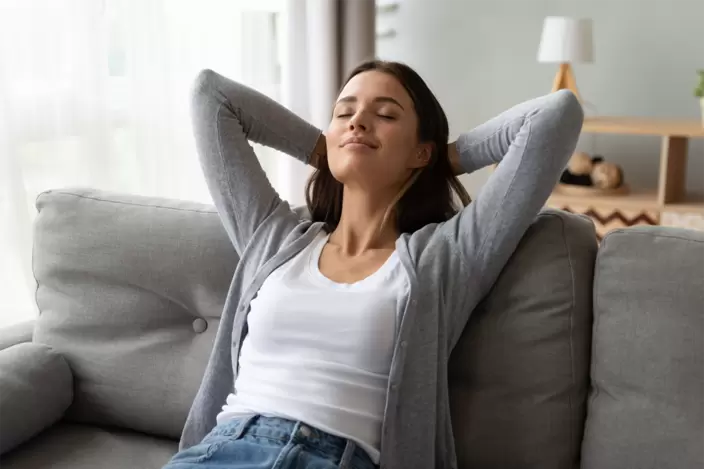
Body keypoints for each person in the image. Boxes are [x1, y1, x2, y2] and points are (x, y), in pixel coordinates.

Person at [162, 60, 583, 469]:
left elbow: (556, 115)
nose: (357, 121)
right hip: (221, 451)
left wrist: (443, 160)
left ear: (420, 151)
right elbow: (210, 96)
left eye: (384, 114)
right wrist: (323, 147)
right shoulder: (272, 238)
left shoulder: (446, 257)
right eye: (344, 112)